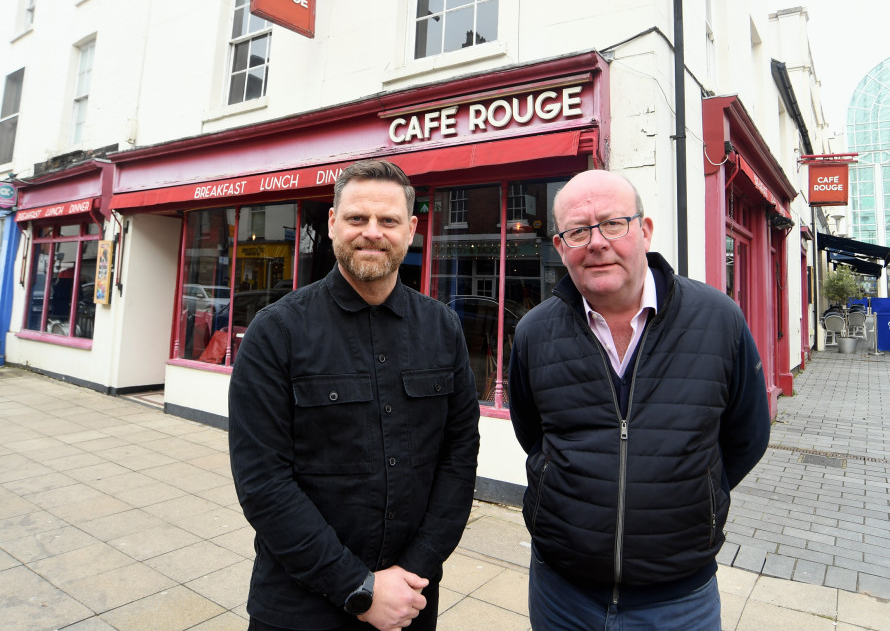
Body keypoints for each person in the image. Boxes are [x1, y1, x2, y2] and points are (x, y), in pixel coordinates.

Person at [508, 169, 770, 630]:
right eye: (577, 230)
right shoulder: (534, 332)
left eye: (613, 223)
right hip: (562, 595)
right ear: (560, 246)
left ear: (644, 231)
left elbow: (746, 436)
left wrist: (697, 491)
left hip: (678, 600)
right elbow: (534, 434)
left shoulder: (719, 320)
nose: (596, 242)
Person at [229, 160, 480, 631]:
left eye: (388, 221)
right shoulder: (277, 331)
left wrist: (414, 569)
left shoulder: (442, 328)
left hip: (410, 602)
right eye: (357, 218)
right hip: (299, 609)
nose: (372, 233)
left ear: (411, 230)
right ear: (331, 224)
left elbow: (459, 458)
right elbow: (264, 483)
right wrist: (358, 588)